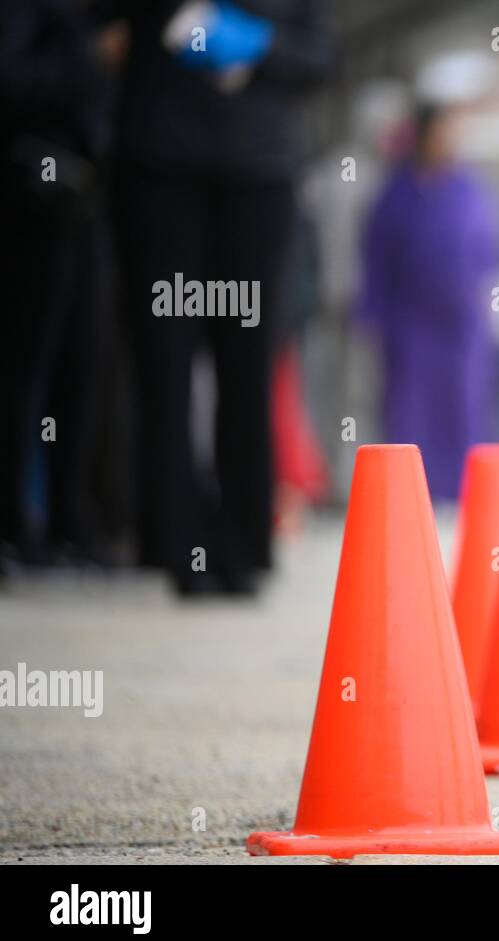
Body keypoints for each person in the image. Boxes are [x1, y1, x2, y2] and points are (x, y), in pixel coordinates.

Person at [112, 1, 330, 595]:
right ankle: (170, 539)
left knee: (247, 369)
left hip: (256, 180)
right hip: (164, 175)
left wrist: (252, 47)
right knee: (166, 366)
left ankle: (245, 541)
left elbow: (316, 56)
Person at [0, 0, 123, 570]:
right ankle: (14, 527)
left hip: (86, 202)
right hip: (31, 198)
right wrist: (90, 57)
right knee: (24, 369)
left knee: (84, 366)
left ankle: (72, 524)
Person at [358, 102, 499, 504]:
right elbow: (376, 258)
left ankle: (470, 495)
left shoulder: (472, 191)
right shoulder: (395, 195)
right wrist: (373, 315)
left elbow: (494, 252)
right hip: (410, 323)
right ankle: (411, 497)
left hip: (461, 323)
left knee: (465, 406)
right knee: (410, 412)